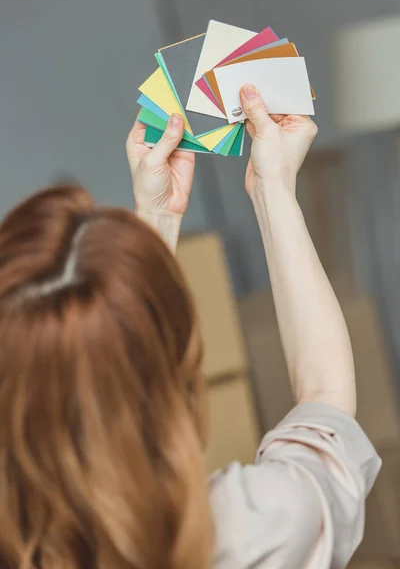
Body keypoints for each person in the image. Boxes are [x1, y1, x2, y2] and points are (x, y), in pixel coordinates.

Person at [0, 85, 380, 569]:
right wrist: (274, 187)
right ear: (179, 370)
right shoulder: (251, 529)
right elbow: (325, 398)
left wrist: (157, 218)